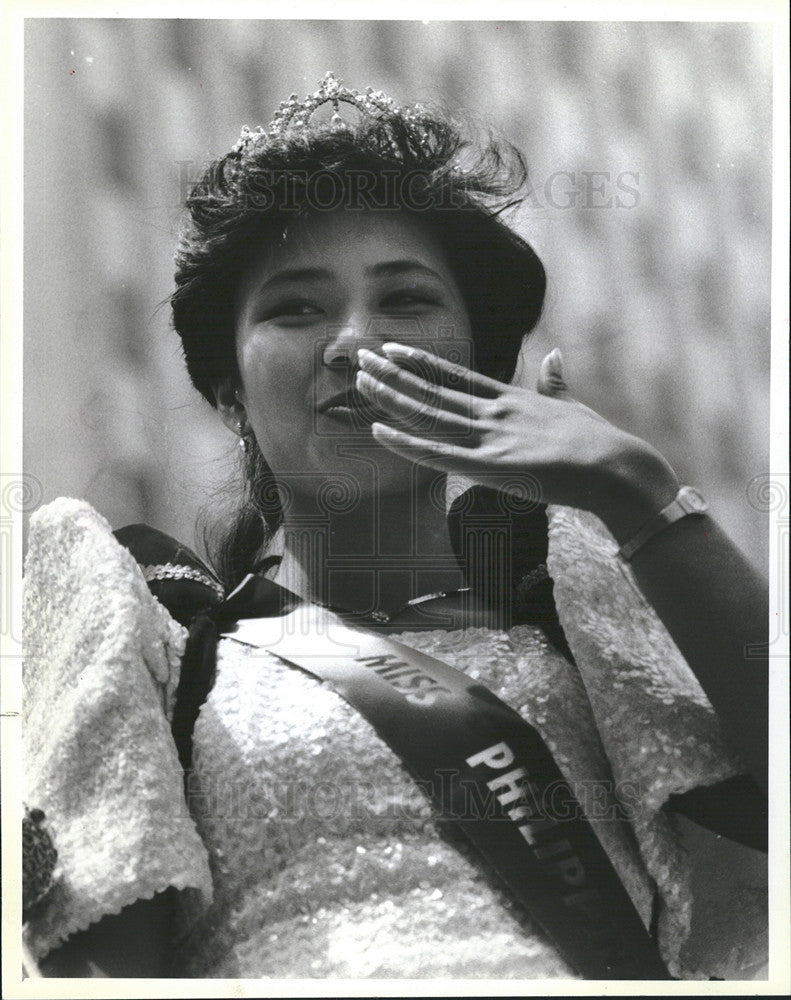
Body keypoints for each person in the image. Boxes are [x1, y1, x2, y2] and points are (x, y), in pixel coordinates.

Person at [23, 74, 769, 980]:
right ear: (229, 388)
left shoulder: (580, 606)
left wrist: (633, 489)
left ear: (480, 369)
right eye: (296, 308)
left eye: (406, 301)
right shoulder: (159, 644)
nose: (354, 343)